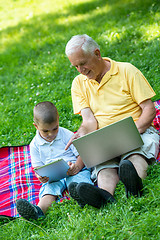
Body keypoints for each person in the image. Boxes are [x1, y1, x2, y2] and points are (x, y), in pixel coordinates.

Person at [65, 34, 159, 209]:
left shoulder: (126, 71)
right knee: (103, 166)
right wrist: (82, 133)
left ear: (97, 53)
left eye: (83, 63)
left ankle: (134, 185)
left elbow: (149, 109)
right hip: (104, 139)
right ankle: (104, 195)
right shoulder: (78, 84)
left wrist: (133, 131)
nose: (80, 70)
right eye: (75, 66)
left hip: (137, 129)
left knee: (134, 156)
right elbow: (88, 121)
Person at [16, 101, 93, 220]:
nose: (51, 134)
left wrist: (77, 167)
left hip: (73, 169)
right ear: (36, 126)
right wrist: (41, 177)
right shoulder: (35, 145)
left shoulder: (66, 134)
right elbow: (38, 168)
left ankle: (82, 196)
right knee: (49, 190)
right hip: (53, 176)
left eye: (55, 128)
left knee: (78, 180)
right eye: (45, 131)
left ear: (58, 120)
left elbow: (82, 153)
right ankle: (38, 211)